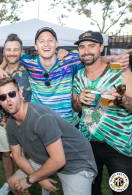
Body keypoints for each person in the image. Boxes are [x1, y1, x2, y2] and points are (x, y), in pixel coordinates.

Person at [0, 27, 129, 126]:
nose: (46, 44)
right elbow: (11, 55)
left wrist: (114, 58)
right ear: (35, 46)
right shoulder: (29, 61)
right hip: (40, 122)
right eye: (41, 41)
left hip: (68, 124)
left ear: (57, 43)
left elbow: (91, 56)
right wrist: (0, 67)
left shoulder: (70, 59)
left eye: (50, 40)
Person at [0, 77, 97, 195]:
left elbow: (59, 160)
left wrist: (30, 179)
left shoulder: (41, 117)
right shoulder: (11, 124)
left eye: (11, 94)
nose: (8, 100)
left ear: (20, 94)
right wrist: (40, 179)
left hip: (76, 163)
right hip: (45, 157)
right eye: (3, 97)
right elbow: (17, 156)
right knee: (14, 182)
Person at [72, 31, 132, 195]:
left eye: (91, 46)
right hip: (88, 144)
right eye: (82, 47)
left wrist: (119, 100)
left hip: (118, 146)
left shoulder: (120, 72)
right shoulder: (78, 76)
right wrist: (78, 99)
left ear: (101, 47)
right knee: (91, 189)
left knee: (121, 190)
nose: (86, 51)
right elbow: (76, 108)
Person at [0, 34, 31, 195]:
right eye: (9, 49)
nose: (12, 53)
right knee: (6, 155)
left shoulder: (30, 68)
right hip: (1, 121)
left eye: (16, 49)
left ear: (21, 51)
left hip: (23, 121)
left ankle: (21, 184)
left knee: (21, 156)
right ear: (4, 52)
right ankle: (10, 183)